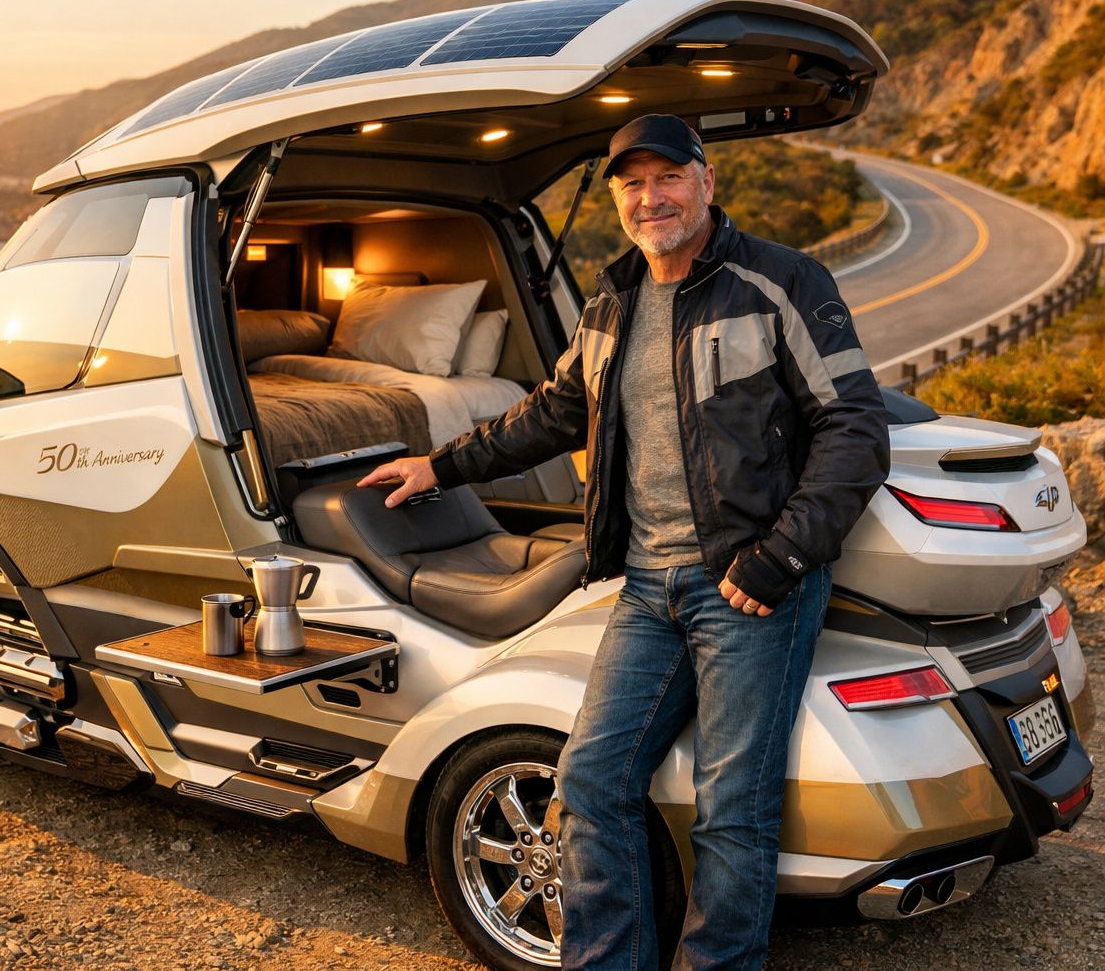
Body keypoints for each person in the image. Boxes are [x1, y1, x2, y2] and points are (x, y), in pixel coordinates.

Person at [356, 113, 890, 970]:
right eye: (632, 183)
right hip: (647, 588)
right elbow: (555, 412)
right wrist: (442, 464)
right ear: (616, 200)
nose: (652, 197)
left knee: (731, 809)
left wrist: (781, 555)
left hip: (750, 586)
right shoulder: (612, 301)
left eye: (668, 177)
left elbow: (855, 427)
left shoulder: (780, 281)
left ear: (706, 183)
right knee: (590, 783)